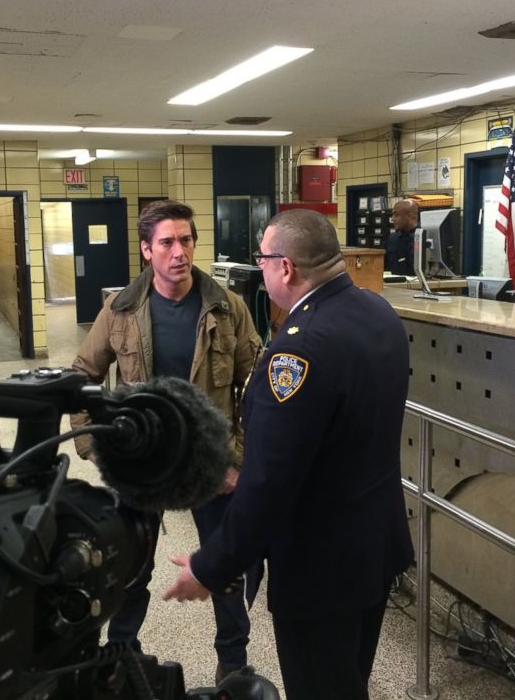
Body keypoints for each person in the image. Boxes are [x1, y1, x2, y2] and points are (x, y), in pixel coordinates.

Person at [164, 209, 414, 699]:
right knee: (349, 680)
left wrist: (210, 566)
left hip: (320, 565)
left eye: (262, 258)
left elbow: (270, 483)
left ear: (285, 267)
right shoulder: (377, 311)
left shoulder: (298, 352)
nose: (260, 268)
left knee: (321, 686)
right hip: (375, 544)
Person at [71, 199, 262, 683]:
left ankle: (233, 663)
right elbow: (82, 376)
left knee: (225, 566)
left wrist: (236, 460)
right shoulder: (120, 311)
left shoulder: (226, 307)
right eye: (167, 243)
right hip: (145, 460)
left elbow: (256, 386)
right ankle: (121, 653)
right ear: (145, 250)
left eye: (187, 240)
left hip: (211, 462)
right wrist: (100, 448)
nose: (179, 252)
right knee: (130, 562)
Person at [384, 197, 419, 275]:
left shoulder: (423, 238)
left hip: (418, 285)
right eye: (392, 215)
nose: (392, 219)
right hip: (395, 285)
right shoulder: (392, 239)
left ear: (410, 217)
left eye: (396, 215)